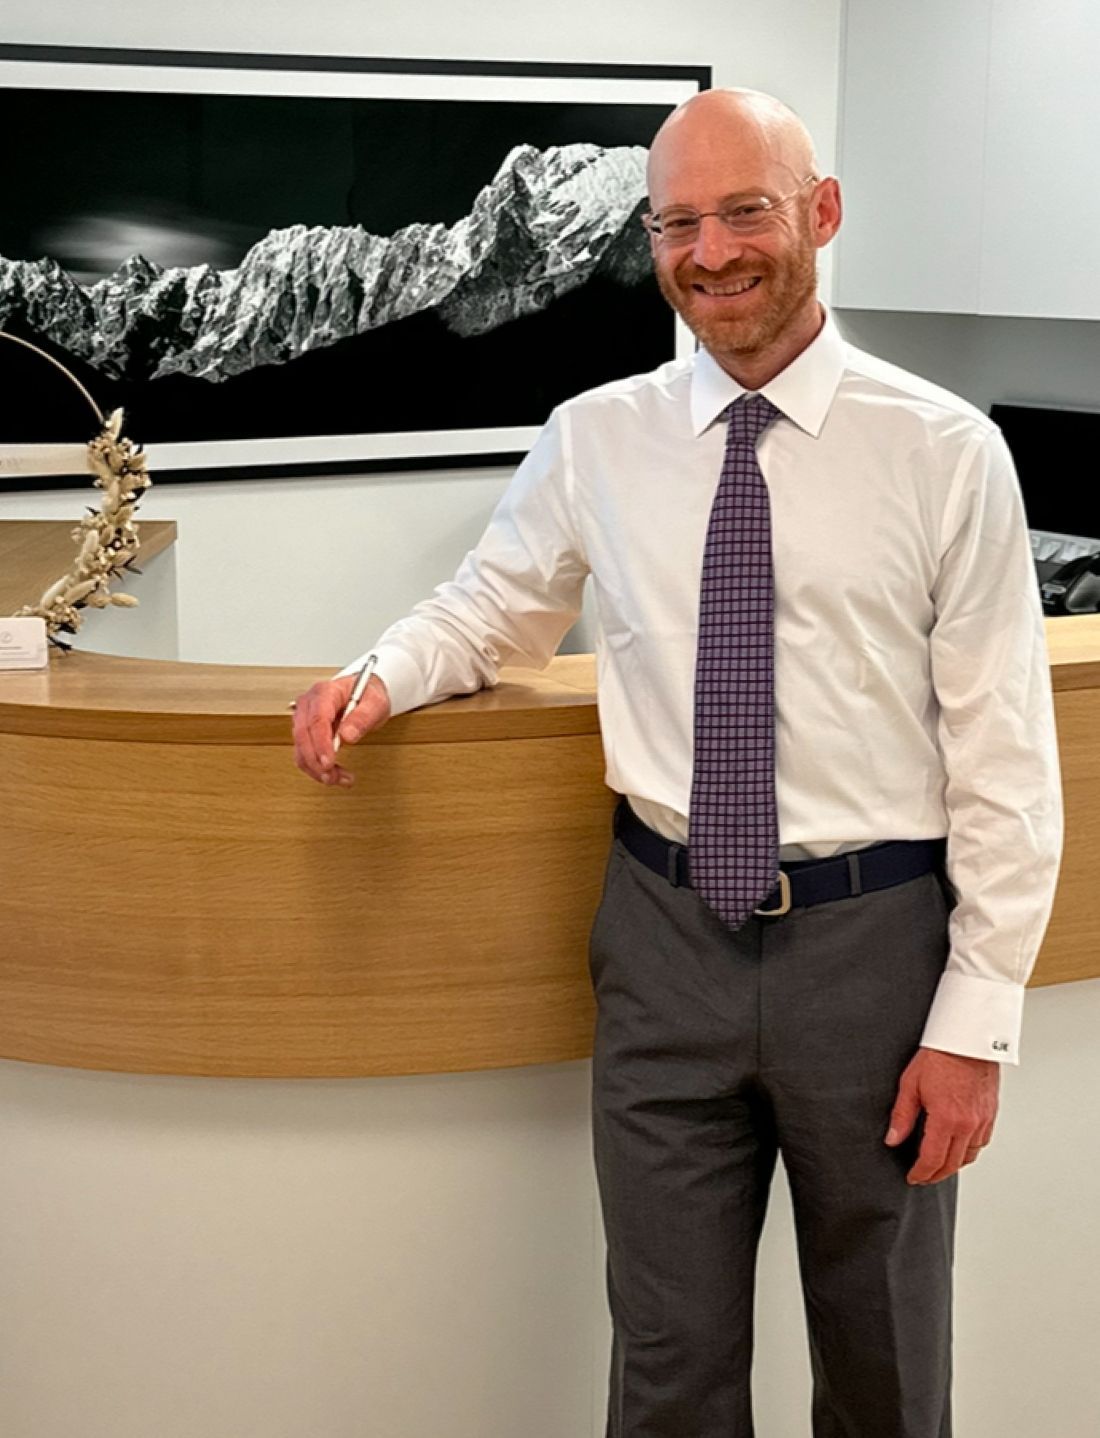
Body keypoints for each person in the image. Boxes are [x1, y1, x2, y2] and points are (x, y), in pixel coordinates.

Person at [291, 88, 1063, 1438]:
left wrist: (974, 1020)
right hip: (660, 947)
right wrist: (382, 674)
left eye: (745, 211)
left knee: (887, 1369)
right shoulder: (598, 435)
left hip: (876, 954)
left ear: (821, 213)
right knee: (668, 1373)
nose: (711, 253)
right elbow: (493, 608)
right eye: (679, 223)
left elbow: (1004, 749)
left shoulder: (948, 453)